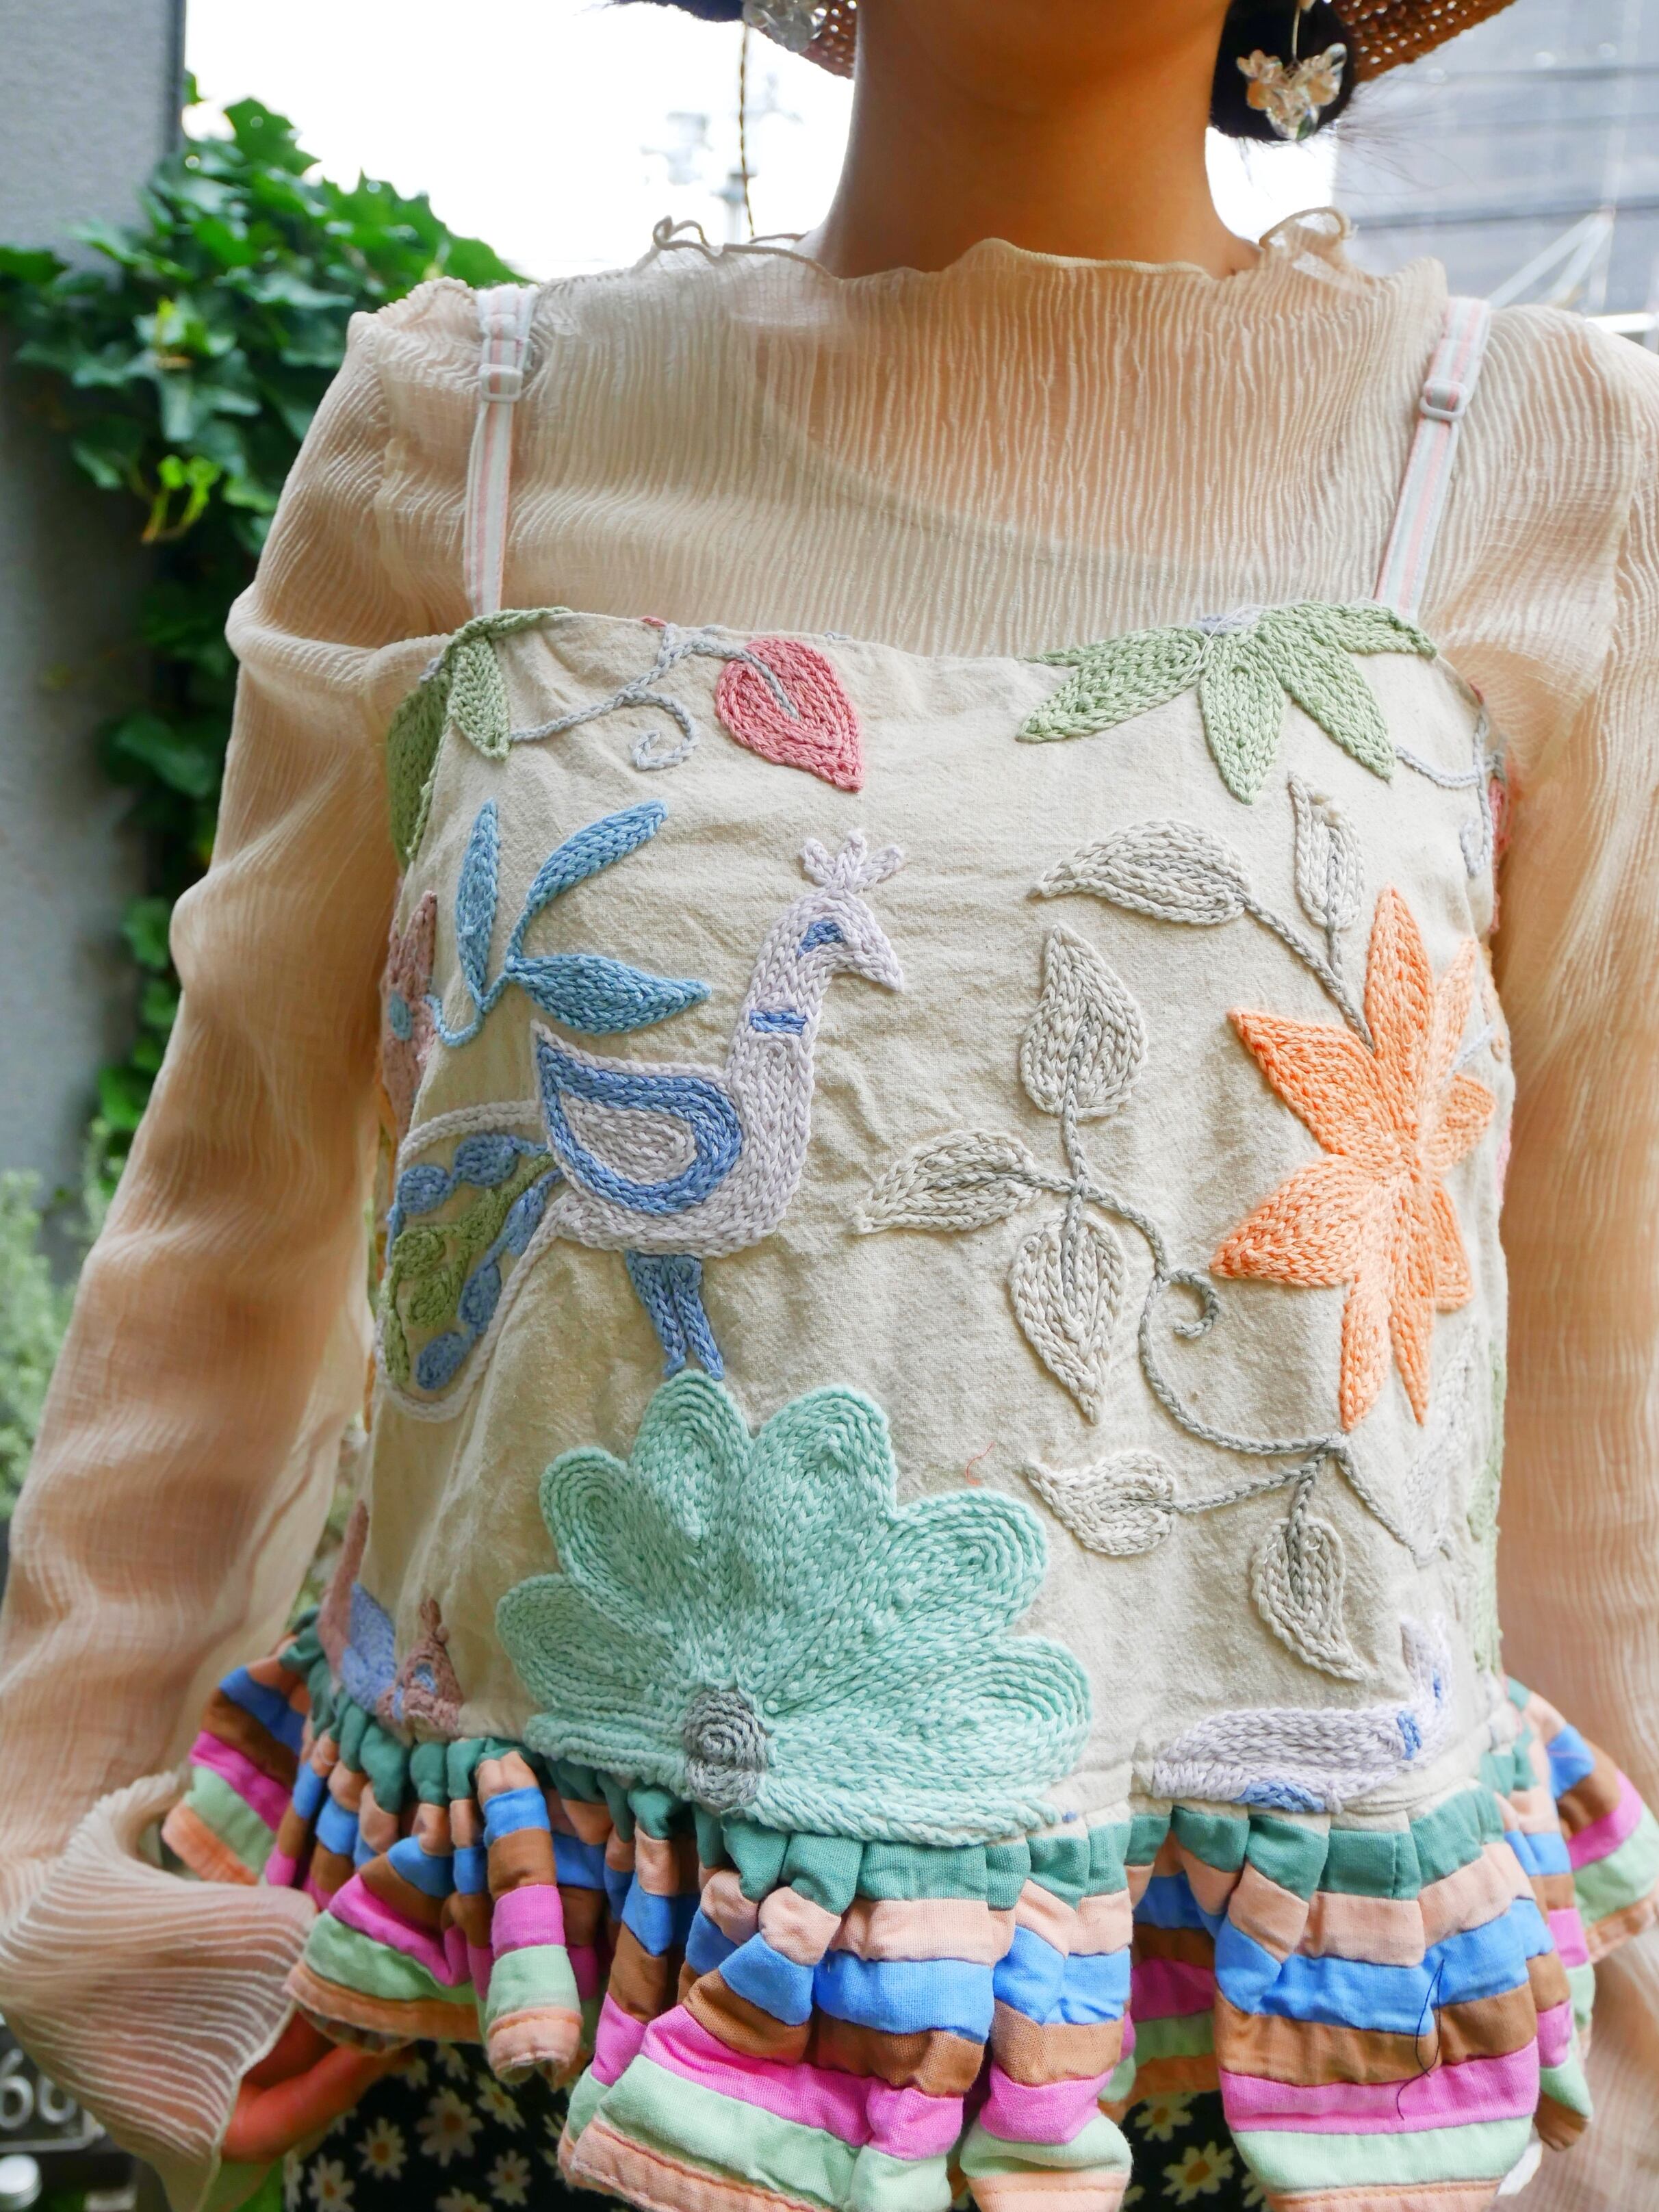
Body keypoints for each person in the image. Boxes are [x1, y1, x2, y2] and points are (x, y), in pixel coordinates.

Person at [1, 1, 1656, 2208]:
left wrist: (1622, 2097)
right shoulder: (465, 432)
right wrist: (64, 1885)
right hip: (524, 2048)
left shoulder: (1539, 458)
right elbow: (232, 1222)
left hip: (1244, 2100)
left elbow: (1609, 1336)